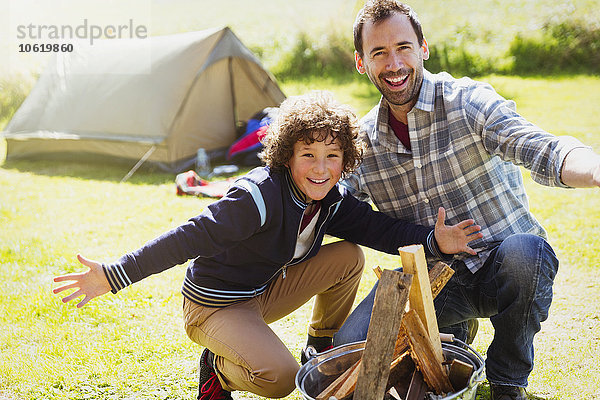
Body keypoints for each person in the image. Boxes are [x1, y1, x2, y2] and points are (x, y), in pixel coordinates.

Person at [52, 91, 482, 400]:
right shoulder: (255, 197)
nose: (320, 168)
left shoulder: (332, 198)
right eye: (307, 154)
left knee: (349, 256)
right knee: (280, 380)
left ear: (345, 160)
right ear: (286, 155)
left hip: (263, 292)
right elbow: (187, 237)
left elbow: (377, 229)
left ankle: (321, 344)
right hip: (214, 307)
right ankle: (218, 369)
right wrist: (114, 274)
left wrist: (432, 238)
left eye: (332, 156)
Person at [333, 1, 600, 399]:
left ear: (423, 48)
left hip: (502, 265)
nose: (394, 64)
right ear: (361, 63)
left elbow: (541, 148)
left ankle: (508, 379)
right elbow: (333, 203)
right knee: (349, 350)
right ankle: (452, 335)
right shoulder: (364, 142)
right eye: (379, 53)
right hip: (432, 284)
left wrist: (596, 172)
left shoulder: (467, 101)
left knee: (527, 253)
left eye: (403, 47)